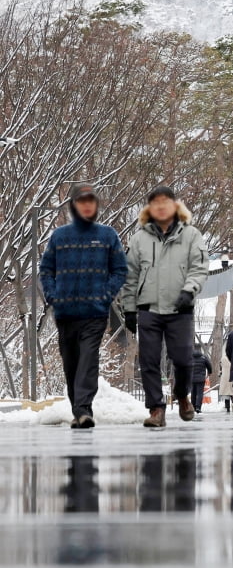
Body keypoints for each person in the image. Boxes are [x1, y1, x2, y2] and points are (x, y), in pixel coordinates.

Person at [38, 183, 127, 429]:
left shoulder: (107, 235)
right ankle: (78, 411)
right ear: (74, 205)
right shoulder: (59, 236)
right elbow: (46, 270)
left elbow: (120, 270)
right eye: (82, 201)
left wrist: (105, 294)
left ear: (96, 205)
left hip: (95, 313)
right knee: (72, 363)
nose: (87, 205)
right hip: (65, 313)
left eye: (91, 201)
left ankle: (84, 409)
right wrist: (53, 296)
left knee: (88, 360)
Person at [120, 185, 209, 429]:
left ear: (175, 205)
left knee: (182, 360)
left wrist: (188, 290)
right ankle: (156, 408)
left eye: (165, 201)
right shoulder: (139, 239)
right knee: (148, 360)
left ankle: (182, 396)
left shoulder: (191, 235)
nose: (160, 206)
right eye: (155, 202)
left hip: (181, 309)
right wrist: (128, 308)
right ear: (149, 208)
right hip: (148, 308)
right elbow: (130, 276)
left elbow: (199, 268)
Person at [190, 348, 211, 414]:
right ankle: (198, 407)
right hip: (201, 379)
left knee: (193, 393)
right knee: (199, 393)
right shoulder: (204, 358)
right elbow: (209, 366)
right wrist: (210, 372)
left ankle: (193, 407)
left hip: (192, 378)